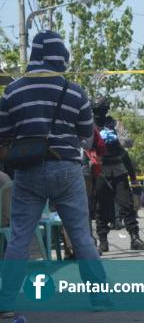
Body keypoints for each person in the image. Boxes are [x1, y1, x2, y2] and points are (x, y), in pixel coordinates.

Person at [0, 30, 108, 311]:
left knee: (19, 237)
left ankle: (7, 301)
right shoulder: (74, 91)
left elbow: (3, 133)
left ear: (35, 56)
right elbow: (86, 134)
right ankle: (99, 298)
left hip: (28, 172)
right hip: (67, 170)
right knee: (82, 235)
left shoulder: (13, 90)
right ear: (60, 56)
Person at [91, 96, 144, 252]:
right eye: (97, 111)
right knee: (101, 208)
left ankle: (135, 238)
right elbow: (84, 145)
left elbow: (128, 142)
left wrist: (116, 138)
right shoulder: (90, 126)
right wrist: (97, 139)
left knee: (127, 205)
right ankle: (103, 241)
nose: (99, 114)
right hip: (100, 170)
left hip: (118, 168)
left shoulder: (116, 124)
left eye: (102, 110)